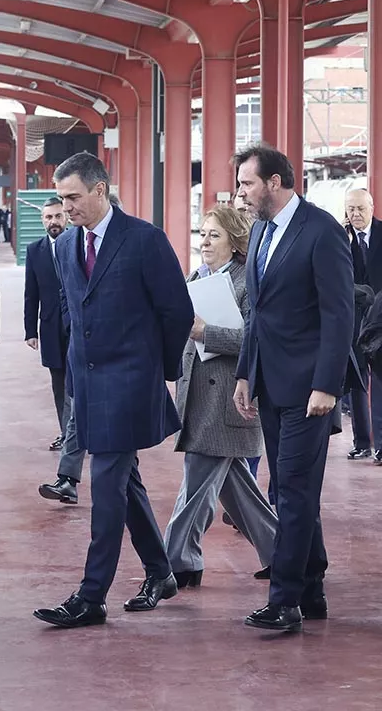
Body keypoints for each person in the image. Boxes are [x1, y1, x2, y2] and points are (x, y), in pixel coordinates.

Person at [33, 152, 193, 629]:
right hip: (87, 388)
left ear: (100, 190)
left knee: (105, 488)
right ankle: (161, 572)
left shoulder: (144, 240)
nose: (66, 208)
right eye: (61, 199)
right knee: (126, 484)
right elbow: (72, 311)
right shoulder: (63, 248)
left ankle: (91, 595)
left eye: (74, 197)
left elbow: (177, 312)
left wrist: (156, 371)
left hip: (130, 384)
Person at [233, 143, 353, 632]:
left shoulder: (321, 231)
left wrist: (328, 385)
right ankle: (313, 590)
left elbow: (339, 313)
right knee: (290, 489)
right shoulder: (261, 229)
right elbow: (255, 313)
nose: (241, 192)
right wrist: (245, 372)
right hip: (271, 381)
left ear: (274, 183)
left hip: (309, 391)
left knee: (294, 492)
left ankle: (284, 601)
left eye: (247, 183)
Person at [161, 206, 277, 589]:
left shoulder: (249, 282)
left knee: (195, 486)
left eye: (214, 235)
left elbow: (257, 341)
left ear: (235, 240)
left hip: (230, 399)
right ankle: (288, 554)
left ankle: (171, 563)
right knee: (236, 488)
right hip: (197, 396)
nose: (204, 241)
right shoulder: (196, 277)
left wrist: (206, 332)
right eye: (203, 233)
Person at [24, 197, 69, 449]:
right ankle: (67, 433)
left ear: (66, 218)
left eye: (58, 216)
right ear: (43, 220)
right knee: (59, 383)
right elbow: (31, 293)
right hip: (51, 328)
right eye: (48, 217)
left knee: (82, 381)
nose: (54, 221)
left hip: (80, 328)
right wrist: (30, 330)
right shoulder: (34, 250)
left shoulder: (80, 244)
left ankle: (82, 432)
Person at [344, 188, 382, 460]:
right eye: (350, 209)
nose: (355, 214)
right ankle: (362, 442)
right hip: (353, 317)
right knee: (357, 381)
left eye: (360, 209)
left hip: (380, 318)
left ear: (372, 208)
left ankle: (381, 444)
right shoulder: (339, 237)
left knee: (379, 380)